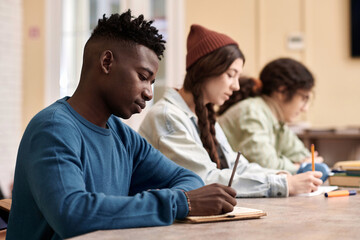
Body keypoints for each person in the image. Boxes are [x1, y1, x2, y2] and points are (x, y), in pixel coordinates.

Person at [6, 11, 237, 239]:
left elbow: (189, 180)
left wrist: (160, 203)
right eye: (143, 77)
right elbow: (73, 213)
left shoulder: (124, 136)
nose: (148, 93)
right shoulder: (53, 129)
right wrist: (179, 203)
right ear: (107, 62)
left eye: (152, 82)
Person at [139, 25, 323, 199]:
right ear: (206, 70)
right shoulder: (167, 116)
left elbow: (238, 167)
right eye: (230, 75)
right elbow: (205, 179)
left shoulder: (205, 116)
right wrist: (284, 184)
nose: (236, 86)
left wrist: (282, 176)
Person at [217, 58, 329, 180]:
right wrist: (299, 167)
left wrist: (302, 165)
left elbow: (306, 159)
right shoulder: (252, 112)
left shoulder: (276, 120)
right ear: (282, 90)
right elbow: (267, 166)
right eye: (304, 98)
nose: (305, 108)